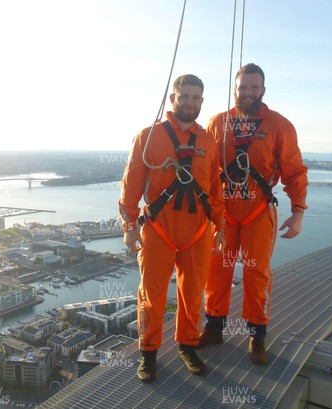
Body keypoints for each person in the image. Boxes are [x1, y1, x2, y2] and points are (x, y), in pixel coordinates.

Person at [197, 63, 308, 366]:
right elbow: (203, 167)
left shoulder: (278, 126)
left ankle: (257, 335)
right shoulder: (218, 123)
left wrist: (297, 211)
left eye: (253, 88)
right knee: (216, 270)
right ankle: (214, 327)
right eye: (242, 88)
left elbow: (295, 172)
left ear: (263, 91)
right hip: (223, 213)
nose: (247, 93)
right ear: (234, 90)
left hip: (258, 211)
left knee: (256, 273)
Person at [119, 74, 226, 382]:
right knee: (152, 295)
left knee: (192, 294)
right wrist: (128, 226)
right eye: (185, 96)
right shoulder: (149, 137)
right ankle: (148, 353)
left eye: (196, 98)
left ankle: (188, 346)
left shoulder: (208, 142)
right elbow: (131, 186)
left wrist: (219, 227)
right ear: (173, 99)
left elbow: (215, 190)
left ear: (202, 102)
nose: (190, 102)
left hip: (197, 231)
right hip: (158, 229)